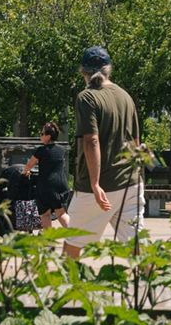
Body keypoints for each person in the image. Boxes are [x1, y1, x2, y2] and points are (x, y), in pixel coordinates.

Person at [63, 46, 142, 260]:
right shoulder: (126, 97)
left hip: (96, 188)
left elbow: (92, 140)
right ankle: (148, 289)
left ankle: (69, 291)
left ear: (83, 72)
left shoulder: (86, 97)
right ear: (108, 70)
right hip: (130, 184)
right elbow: (136, 142)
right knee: (136, 247)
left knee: (72, 246)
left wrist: (95, 183)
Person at [23, 121, 71, 230]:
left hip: (46, 186)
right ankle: (76, 237)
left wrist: (25, 172)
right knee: (61, 213)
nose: (40, 136)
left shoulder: (41, 151)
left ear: (48, 136)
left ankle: (49, 243)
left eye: (42, 134)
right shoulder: (61, 150)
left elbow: (29, 165)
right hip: (61, 185)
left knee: (45, 214)